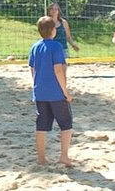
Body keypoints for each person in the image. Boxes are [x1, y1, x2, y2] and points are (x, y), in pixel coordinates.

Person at [30, 17, 74, 167]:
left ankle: (41, 159)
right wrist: (66, 92)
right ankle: (63, 156)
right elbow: (58, 70)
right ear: (53, 30)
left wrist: (37, 86)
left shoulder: (35, 47)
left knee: (41, 126)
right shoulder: (56, 47)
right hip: (56, 93)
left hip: (40, 93)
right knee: (66, 124)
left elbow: (33, 70)